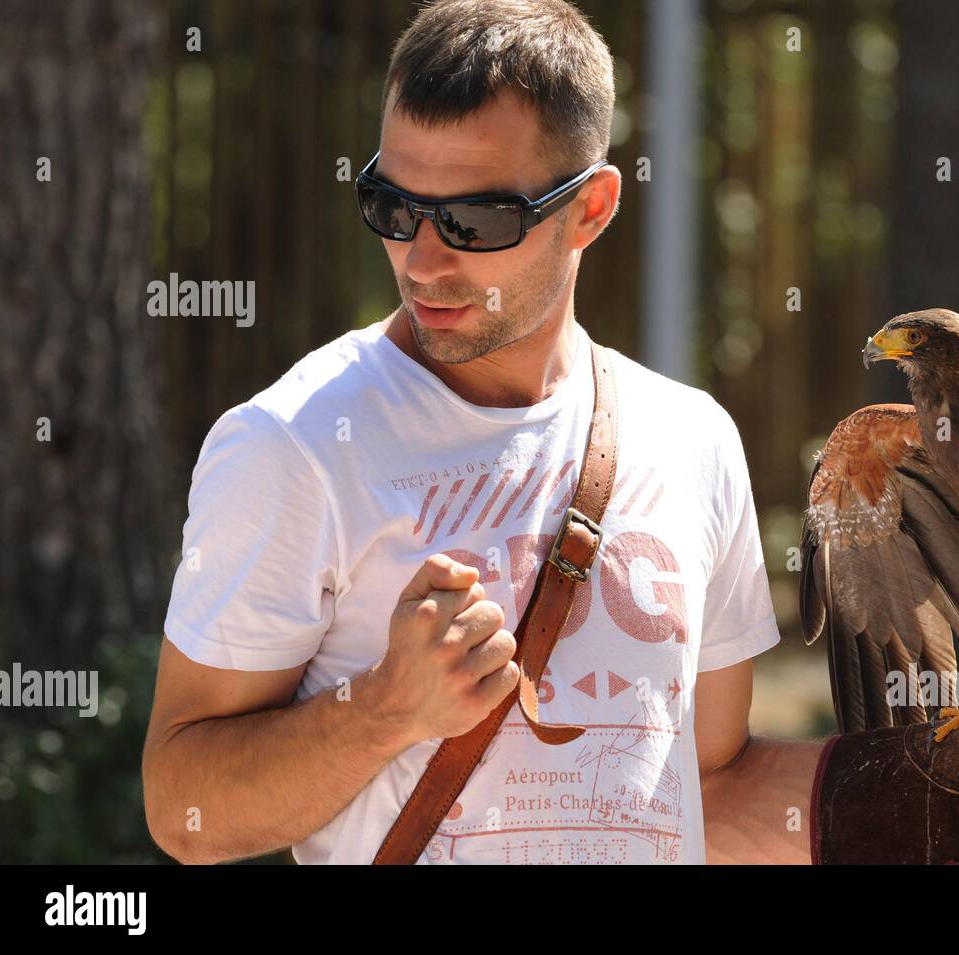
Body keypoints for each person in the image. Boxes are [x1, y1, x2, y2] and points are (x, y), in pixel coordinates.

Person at [141, 0, 806, 865]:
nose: (422, 259)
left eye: (476, 221)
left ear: (592, 210)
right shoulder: (291, 444)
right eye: (393, 205)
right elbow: (181, 808)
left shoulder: (693, 438)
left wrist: (946, 790)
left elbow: (710, 785)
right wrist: (384, 708)